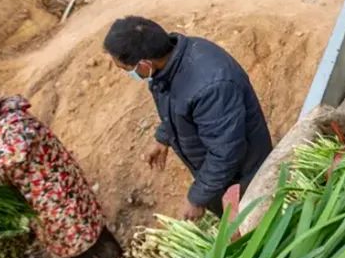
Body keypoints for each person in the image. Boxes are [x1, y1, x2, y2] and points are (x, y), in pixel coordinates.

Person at [103, 16, 272, 221]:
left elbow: (225, 153)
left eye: (127, 70)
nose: (129, 75)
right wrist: (163, 137)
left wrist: (197, 199)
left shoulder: (211, 86)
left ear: (145, 64)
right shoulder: (171, 63)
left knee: (254, 224)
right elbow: (177, 103)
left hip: (243, 176)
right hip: (222, 174)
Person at [0, 89, 123, 258]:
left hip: (56, 187)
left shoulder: (17, 123)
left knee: (82, 223)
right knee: (60, 229)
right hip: (34, 196)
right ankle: (83, 256)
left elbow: (15, 153)